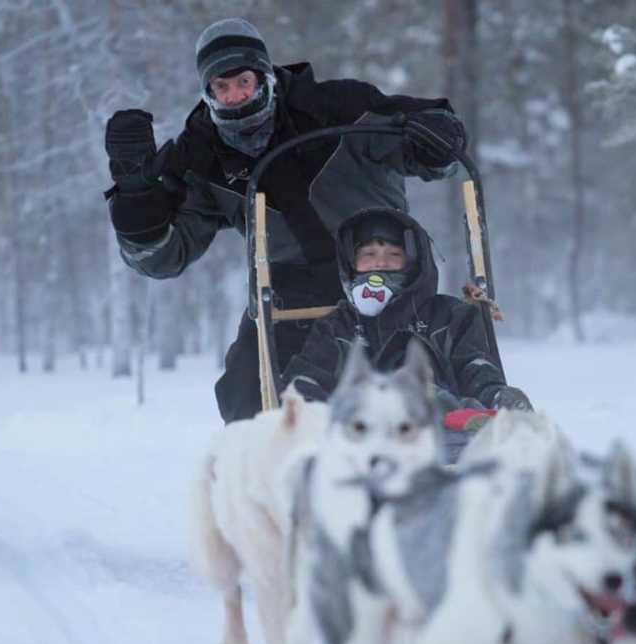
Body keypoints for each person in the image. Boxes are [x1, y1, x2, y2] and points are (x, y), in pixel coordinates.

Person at [102, 17, 470, 422]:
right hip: (289, 293)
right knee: (245, 394)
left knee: (399, 382)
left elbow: (425, 154)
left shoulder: (340, 108)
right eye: (221, 88)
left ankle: (444, 439)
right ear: (207, 93)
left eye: (243, 81)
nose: (235, 97)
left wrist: (438, 138)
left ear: (265, 76)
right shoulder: (201, 155)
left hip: (385, 267)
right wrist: (136, 195)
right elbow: (162, 257)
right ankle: (268, 466)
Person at [279, 206, 532, 414]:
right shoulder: (337, 327)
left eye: (393, 254)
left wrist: (499, 397)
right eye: (368, 253)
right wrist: (304, 411)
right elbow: (308, 379)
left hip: (444, 431)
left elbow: (475, 369)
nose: (380, 262)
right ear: (352, 262)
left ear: (412, 261)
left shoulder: (450, 317)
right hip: (359, 437)